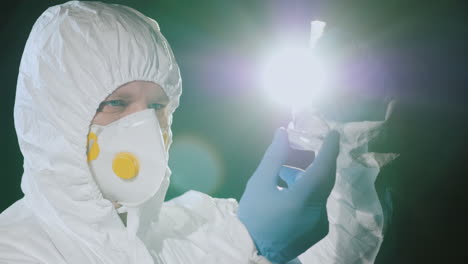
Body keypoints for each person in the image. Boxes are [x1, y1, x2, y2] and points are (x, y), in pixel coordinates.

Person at [0, 1, 340, 263]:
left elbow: (338, 256)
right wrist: (243, 244)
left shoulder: (196, 221)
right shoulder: (17, 247)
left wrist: (344, 139)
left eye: (156, 107)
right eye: (116, 103)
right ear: (57, 116)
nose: (145, 126)